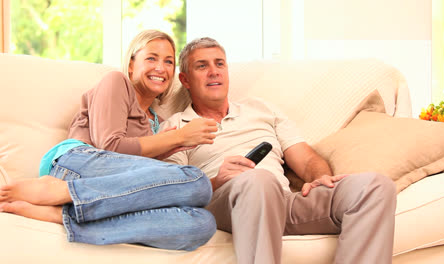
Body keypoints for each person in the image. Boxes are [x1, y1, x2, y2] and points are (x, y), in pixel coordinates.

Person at [160, 37, 397, 263]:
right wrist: (217, 180)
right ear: (186, 79)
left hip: (282, 200)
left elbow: (306, 158)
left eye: (219, 64)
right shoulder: (176, 127)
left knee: (374, 187)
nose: (214, 71)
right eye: (202, 66)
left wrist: (319, 177)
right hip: (225, 202)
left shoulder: (261, 109)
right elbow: (175, 192)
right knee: (258, 181)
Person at [0, 30, 218, 251]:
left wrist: (169, 146)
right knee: (196, 181)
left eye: (169, 61)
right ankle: (63, 192)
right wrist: (177, 136)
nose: (161, 68)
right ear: (131, 64)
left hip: (107, 188)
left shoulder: (158, 122)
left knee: (201, 223)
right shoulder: (117, 82)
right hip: (75, 163)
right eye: (151, 58)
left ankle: (65, 213)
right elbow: (110, 145)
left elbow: (139, 181)